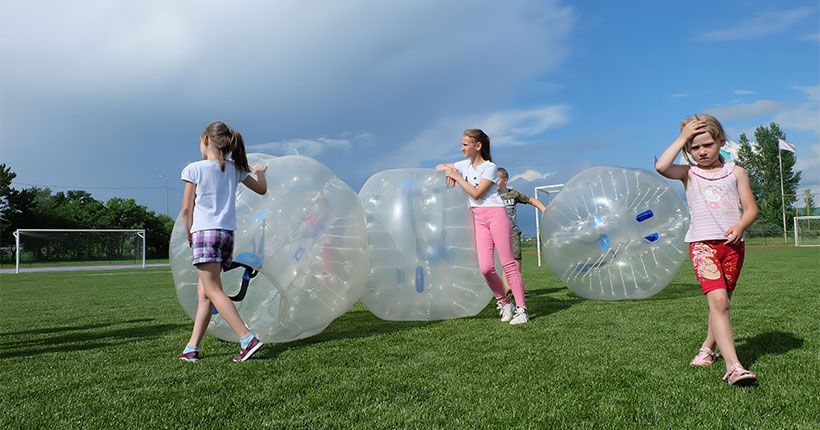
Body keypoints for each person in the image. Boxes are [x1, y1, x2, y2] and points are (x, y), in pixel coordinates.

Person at [655, 114, 758, 385]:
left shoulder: (736, 172)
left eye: (708, 145)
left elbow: (751, 209)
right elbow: (662, 166)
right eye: (694, 147)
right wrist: (682, 137)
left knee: (722, 304)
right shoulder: (688, 173)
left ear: (721, 142)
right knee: (719, 302)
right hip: (703, 246)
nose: (701, 151)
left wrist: (740, 226)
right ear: (687, 149)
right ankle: (734, 367)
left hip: (733, 248)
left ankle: (707, 348)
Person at [178, 121, 268, 362]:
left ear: (206, 139)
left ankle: (247, 339)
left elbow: (186, 209)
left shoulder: (193, 169)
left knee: (213, 290)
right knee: (205, 292)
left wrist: (188, 232)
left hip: (205, 233)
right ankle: (192, 348)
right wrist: (260, 174)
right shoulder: (235, 169)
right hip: (226, 234)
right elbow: (261, 190)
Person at [436, 129, 529, 324]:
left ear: (478, 146)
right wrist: (448, 172)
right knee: (486, 268)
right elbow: (439, 166)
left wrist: (457, 177)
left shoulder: (490, 168)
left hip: (496, 216)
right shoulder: (464, 165)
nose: (461, 148)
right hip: (478, 218)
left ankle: (522, 310)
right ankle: (504, 303)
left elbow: (477, 194)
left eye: (465, 144)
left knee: (508, 264)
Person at [496, 167, 547, 299]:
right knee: (505, 263)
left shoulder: (513, 194)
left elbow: (531, 200)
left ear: (505, 180)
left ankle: (515, 288)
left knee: (516, 262)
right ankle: (508, 289)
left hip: (513, 233)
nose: (494, 182)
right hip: (498, 234)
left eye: (497, 179)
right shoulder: (491, 197)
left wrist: (544, 209)